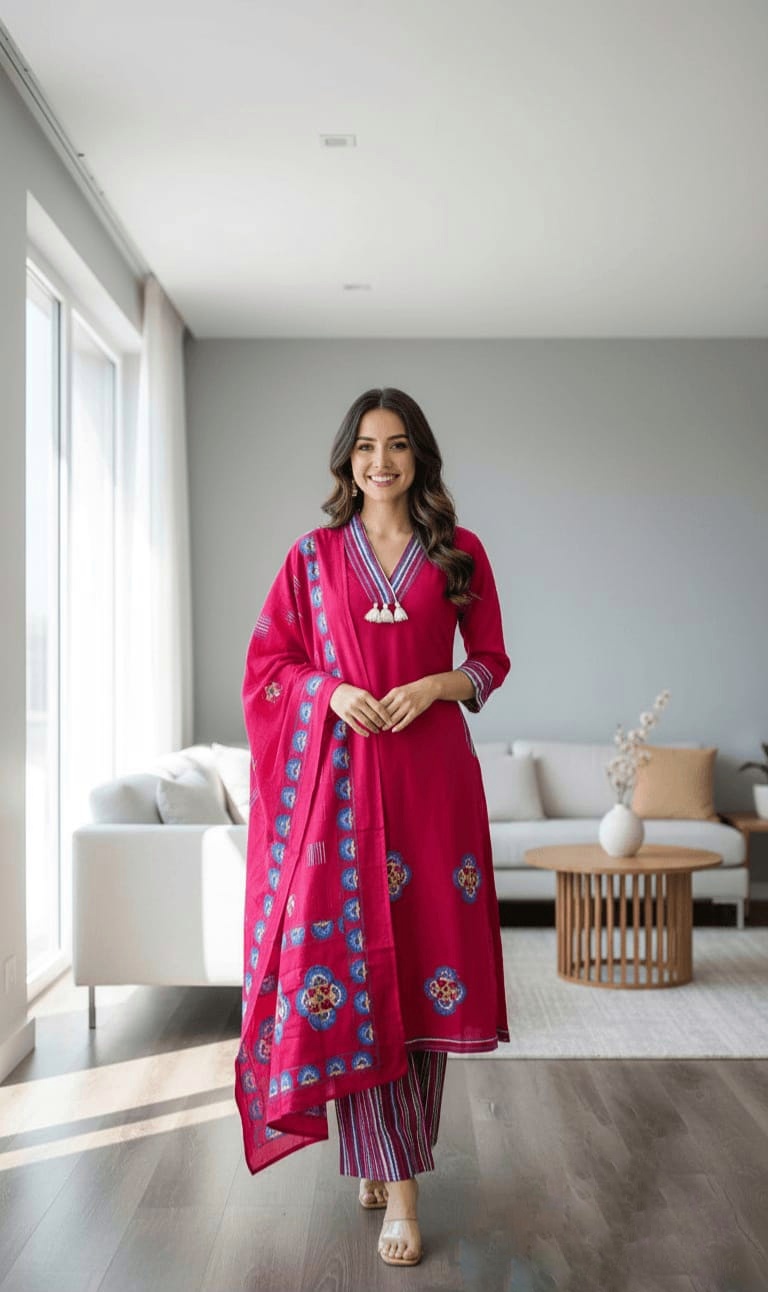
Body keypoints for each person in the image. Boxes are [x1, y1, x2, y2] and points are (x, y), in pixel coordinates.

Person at [235, 387, 511, 1268]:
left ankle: (387, 1159)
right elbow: (270, 664)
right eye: (364, 446)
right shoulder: (312, 557)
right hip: (343, 798)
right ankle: (398, 1181)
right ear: (346, 460)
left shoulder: (458, 551)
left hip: (434, 788)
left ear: (417, 455)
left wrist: (434, 685)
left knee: (423, 977)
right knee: (355, 968)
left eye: (395, 445)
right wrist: (330, 691)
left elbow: (491, 662)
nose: (380, 461)